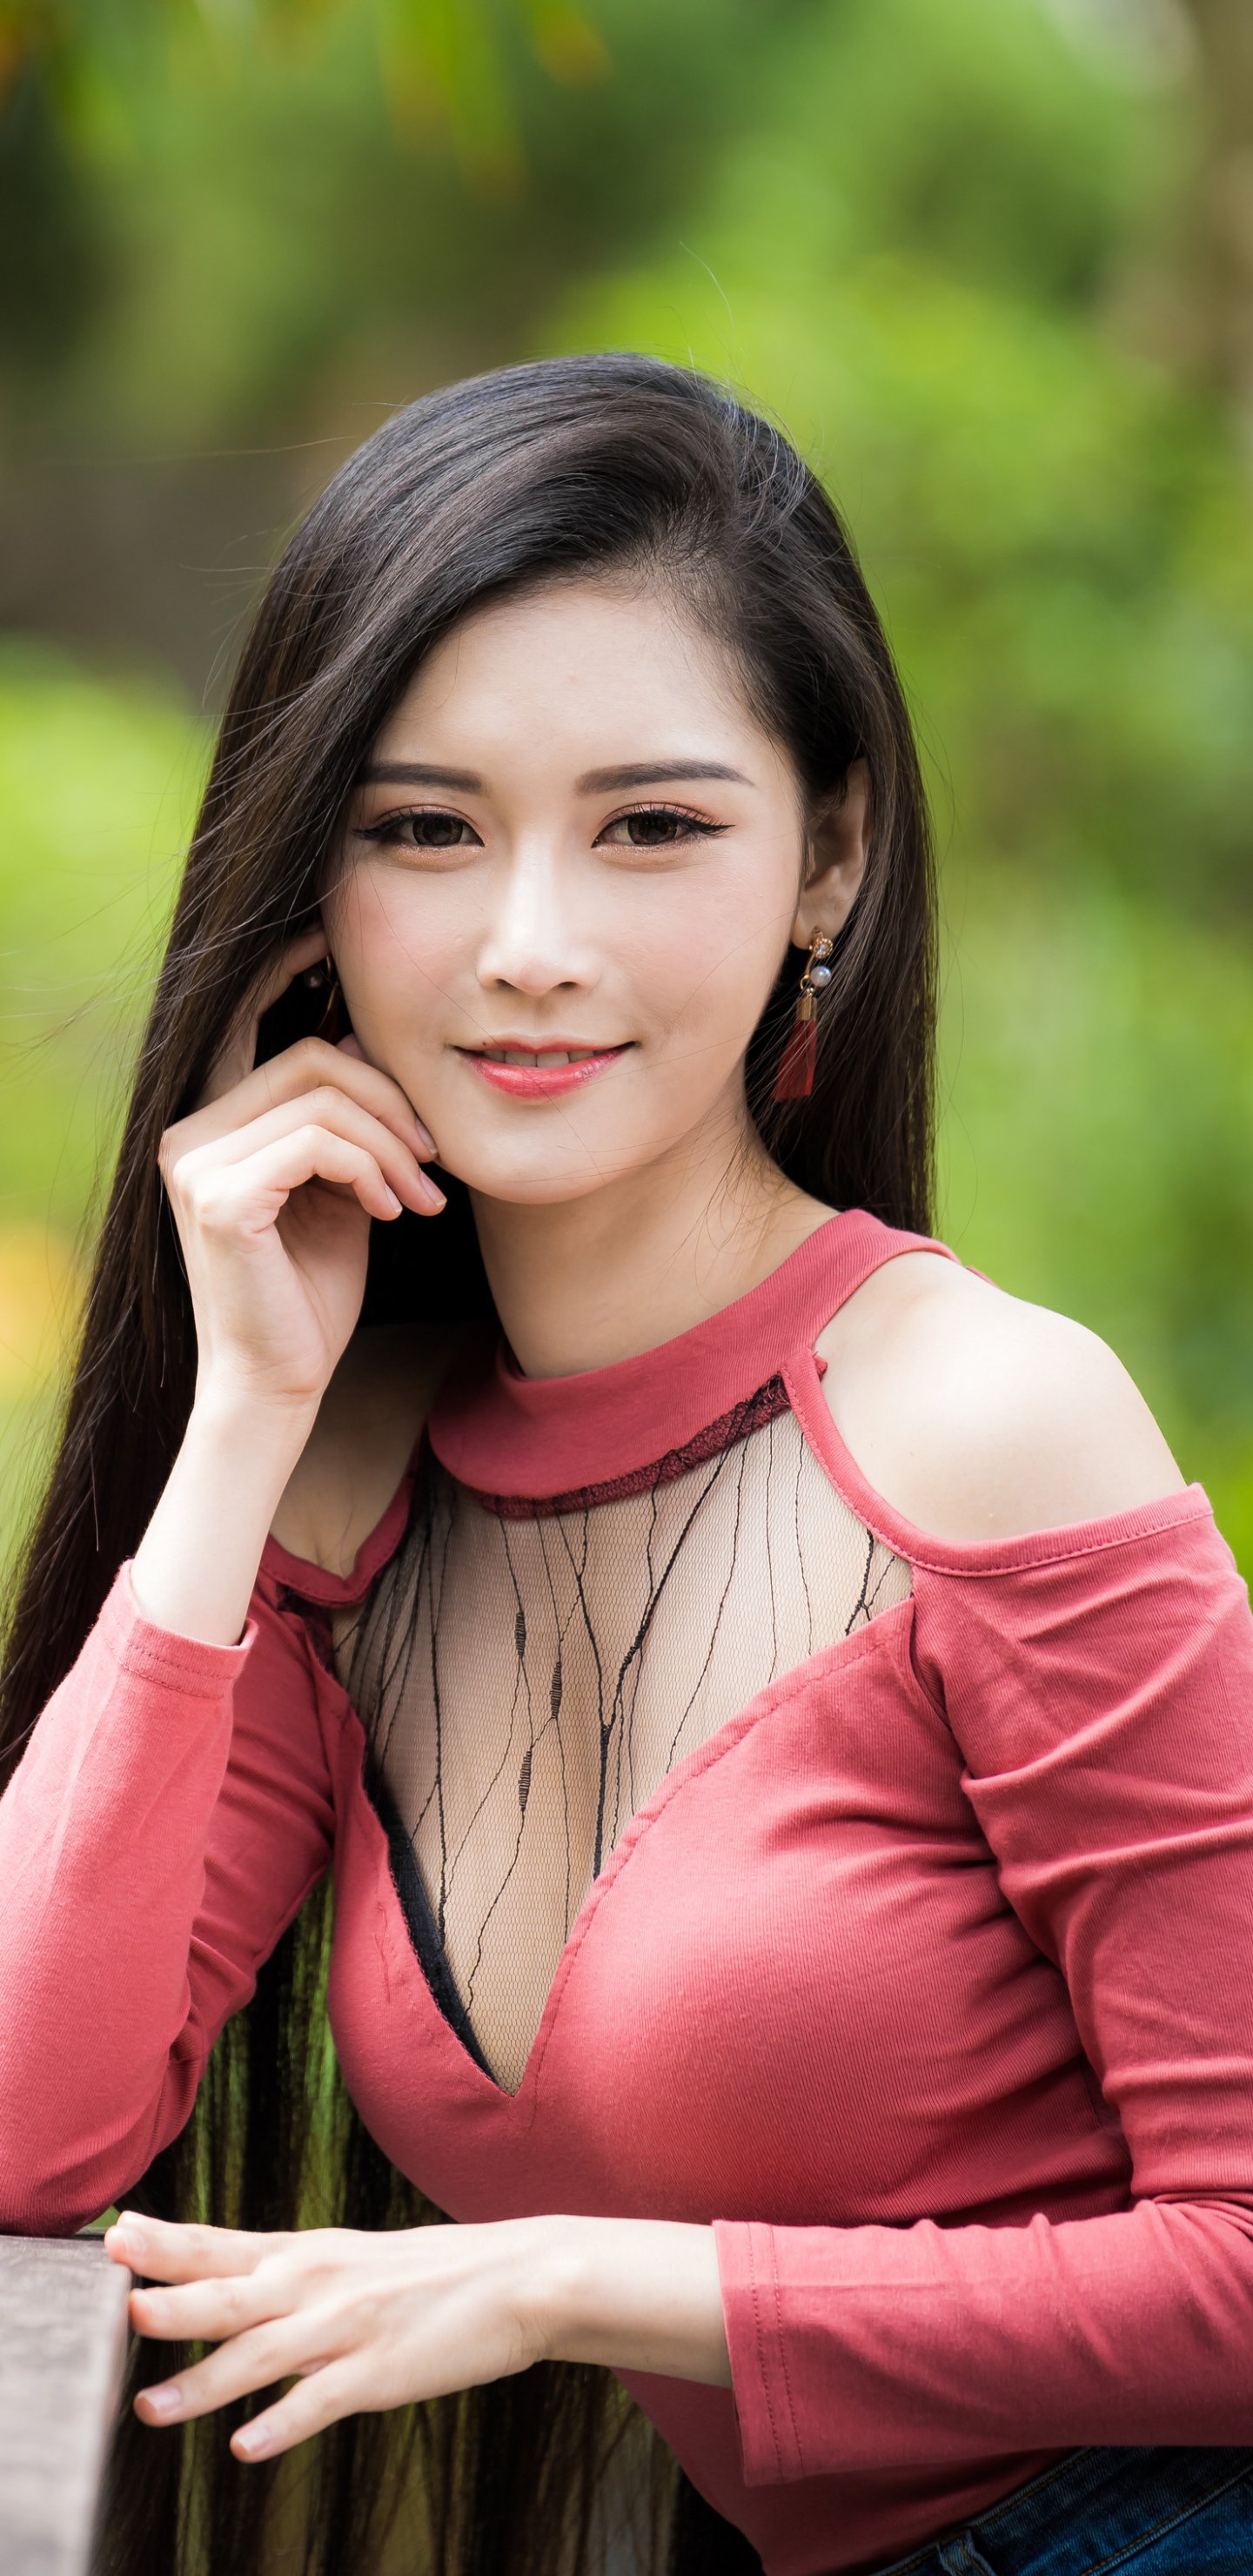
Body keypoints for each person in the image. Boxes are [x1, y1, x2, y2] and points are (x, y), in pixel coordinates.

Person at [1, 354, 1251, 2576]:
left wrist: (575, 2277)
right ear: (311, 898)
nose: (531, 945)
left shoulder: (978, 1425)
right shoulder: (344, 1490)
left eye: (652, 825)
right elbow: (25, 2125)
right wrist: (237, 1425)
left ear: (828, 854)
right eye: (424, 828)